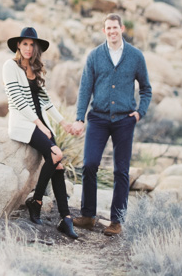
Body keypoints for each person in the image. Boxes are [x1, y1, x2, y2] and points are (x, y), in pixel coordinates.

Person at [70, 14, 152, 236]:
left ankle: (116, 221)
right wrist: (80, 117)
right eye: (108, 28)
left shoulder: (135, 56)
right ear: (104, 30)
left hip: (124, 121)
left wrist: (139, 113)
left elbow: (146, 88)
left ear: (122, 28)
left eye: (115, 27)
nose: (112, 31)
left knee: (121, 171)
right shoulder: (95, 56)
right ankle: (88, 216)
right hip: (98, 118)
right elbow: (85, 89)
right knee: (89, 164)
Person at [3, 26, 78, 239]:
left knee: (58, 165)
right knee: (56, 154)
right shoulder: (10, 66)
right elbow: (17, 99)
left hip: (41, 123)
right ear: (18, 45)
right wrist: (39, 124)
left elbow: (46, 102)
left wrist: (63, 124)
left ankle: (66, 219)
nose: (28, 48)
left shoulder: (34, 69)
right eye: (25, 43)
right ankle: (36, 201)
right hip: (24, 123)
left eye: (31, 44)